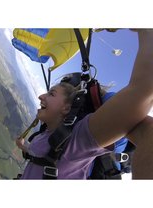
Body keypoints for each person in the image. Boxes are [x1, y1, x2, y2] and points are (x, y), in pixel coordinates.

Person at [16, 29, 153, 179]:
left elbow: (143, 88)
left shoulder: (78, 142)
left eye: (52, 93)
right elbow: (40, 153)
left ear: (67, 108)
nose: (41, 96)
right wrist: (25, 146)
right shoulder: (46, 133)